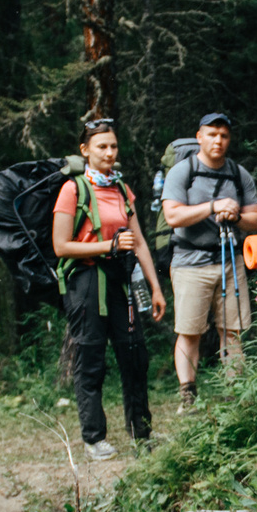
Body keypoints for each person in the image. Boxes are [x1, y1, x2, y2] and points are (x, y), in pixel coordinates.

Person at [52, 120, 164, 460]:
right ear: (85, 150)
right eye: (101, 146)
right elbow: (61, 246)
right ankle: (94, 437)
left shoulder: (121, 189)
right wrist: (107, 245)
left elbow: (139, 241)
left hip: (121, 279)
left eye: (113, 146)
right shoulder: (73, 190)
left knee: (135, 356)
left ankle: (141, 433)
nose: (109, 153)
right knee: (91, 358)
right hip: (87, 282)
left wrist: (156, 289)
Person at [160, 112, 257, 407]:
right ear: (200, 136)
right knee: (189, 331)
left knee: (232, 330)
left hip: (230, 260)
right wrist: (213, 206)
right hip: (190, 261)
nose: (218, 140)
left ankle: (235, 394)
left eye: (224, 135)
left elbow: (254, 219)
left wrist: (236, 215)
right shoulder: (183, 172)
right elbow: (173, 215)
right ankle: (187, 396)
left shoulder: (238, 174)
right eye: (212, 134)